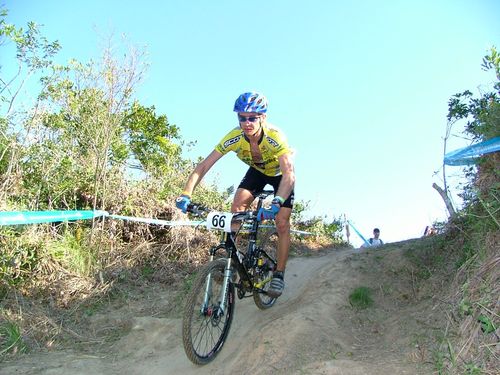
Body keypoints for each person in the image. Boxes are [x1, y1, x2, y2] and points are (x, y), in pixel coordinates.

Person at [175, 91, 295, 298]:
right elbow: (204, 166)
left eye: (252, 118)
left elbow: (289, 175)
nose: (247, 123)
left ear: (262, 118)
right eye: (242, 117)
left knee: (282, 223)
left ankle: (279, 274)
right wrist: (186, 193)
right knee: (237, 207)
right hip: (257, 172)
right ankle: (236, 258)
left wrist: (277, 202)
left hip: (280, 176)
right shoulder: (235, 137)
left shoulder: (275, 137)